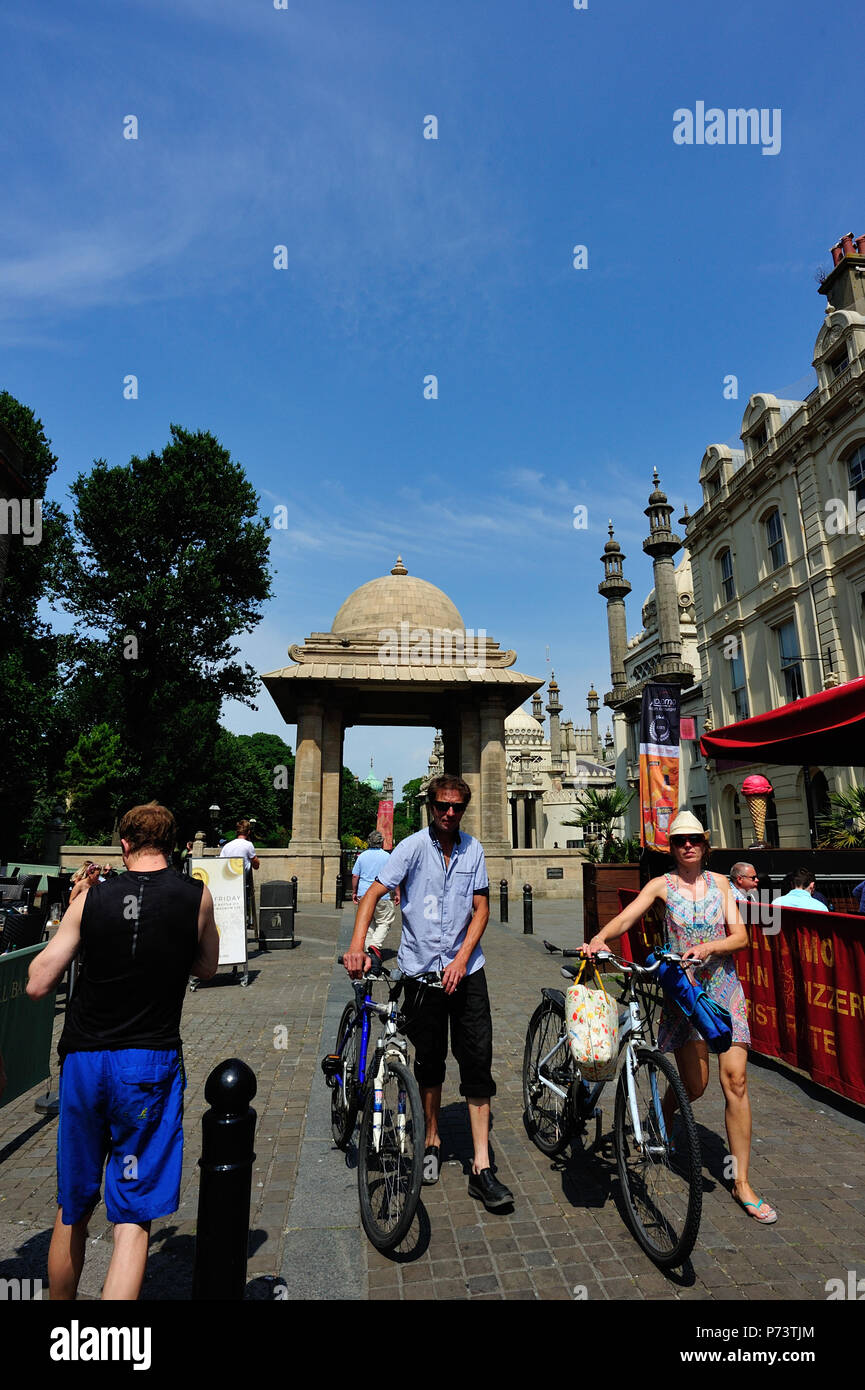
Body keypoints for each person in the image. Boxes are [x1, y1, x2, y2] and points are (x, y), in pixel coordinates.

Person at [26, 801, 219, 1300]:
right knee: (133, 1215)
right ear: (173, 846)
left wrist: (75, 911)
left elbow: (39, 982)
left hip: (86, 1061)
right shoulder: (195, 896)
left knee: (74, 1204)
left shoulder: (93, 898)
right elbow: (206, 968)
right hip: (148, 1063)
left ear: (124, 844)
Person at [583, 809, 777, 1224]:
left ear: (705, 846)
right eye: (679, 840)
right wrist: (600, 938)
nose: (687, 845)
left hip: (724, 989)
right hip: (685, 995)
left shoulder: (723, 884)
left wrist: (709, 948)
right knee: (697, 1085)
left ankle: (741, 1181)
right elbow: (627, 917)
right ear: (671, 848)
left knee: (736, 1081)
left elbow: (741, 936)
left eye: (694, 839)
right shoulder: (661, 885)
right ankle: (667, 1111)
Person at [344, 774, 513, 1211]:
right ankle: (432, 1139)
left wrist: (461, 959)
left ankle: (481, 1165)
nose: (450, 813)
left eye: (457, 807)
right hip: (421, 974)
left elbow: (482, 908)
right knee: (431, 1063)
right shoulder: (412, 848)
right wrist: (356, 947)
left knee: (478, 1061)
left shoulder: (473, 850)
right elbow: (372, 894)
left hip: (467, 972)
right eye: (442, 805)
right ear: (431, 806)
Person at [351, 830, 399, 967]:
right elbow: (394, 876)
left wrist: (354, 892)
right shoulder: (387, 857)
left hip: (364, 894)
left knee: (367, 922)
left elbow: (355, 876)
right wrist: (397, 893)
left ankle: (368, 951)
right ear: (382, 842)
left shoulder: (362, 856)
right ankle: (375, 945)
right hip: (382, 895)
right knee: (385, 921)